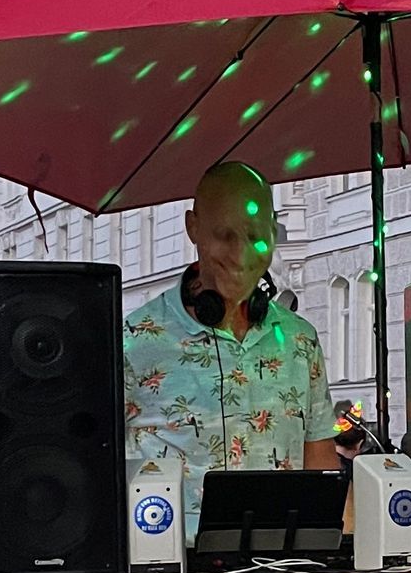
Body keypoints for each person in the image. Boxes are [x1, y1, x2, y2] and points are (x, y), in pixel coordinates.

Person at [123, 160, 337, 537]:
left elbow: (320, 462)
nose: (240, 255)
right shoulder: (134, 338)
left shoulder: (300, 340)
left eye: (256, 236)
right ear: (193, 228)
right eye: (224, 235)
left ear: (274, 233)